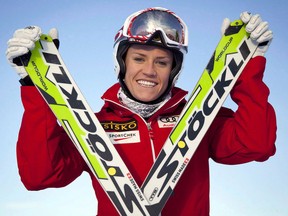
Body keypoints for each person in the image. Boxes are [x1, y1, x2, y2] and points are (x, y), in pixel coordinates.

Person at [6, 7, 276, 216]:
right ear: (121, 63)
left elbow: (256, 144)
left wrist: (248, 68)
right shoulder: (92, 126)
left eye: (162, 62)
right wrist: (36, 88)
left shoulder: (199, 117)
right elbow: (39, 175)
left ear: (174, 71)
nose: (149, 70)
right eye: (138, 58)